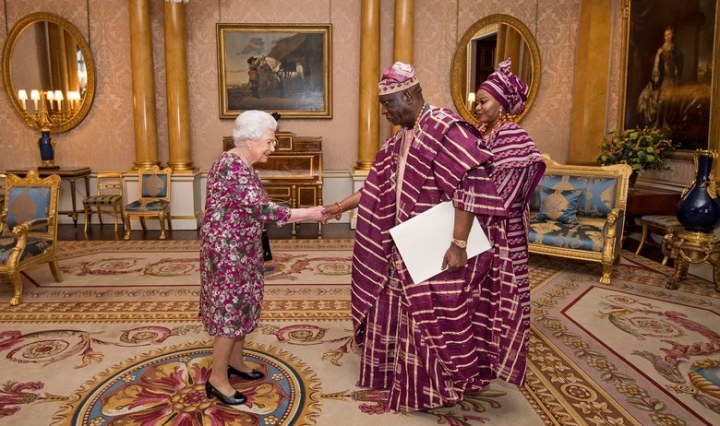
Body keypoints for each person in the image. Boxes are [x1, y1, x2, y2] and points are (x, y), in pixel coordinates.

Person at [323, 62, 508, 411]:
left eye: (388, 104)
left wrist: (458, 245)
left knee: (433, 319)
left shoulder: (445, 128)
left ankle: (435, 391)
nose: (385, 112)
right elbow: (376, 186)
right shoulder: (402, 136)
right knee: (398, 309)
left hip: (437, 246)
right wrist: (339, 206)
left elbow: (469, 188)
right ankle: (399, 379)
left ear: (408, 96)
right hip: (406, 244)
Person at [200, 110, 323, 406]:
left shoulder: (243, 164)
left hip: (242, 248)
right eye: (269, 141)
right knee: (230, 312)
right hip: (228, 252)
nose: (272, 147)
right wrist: (309, 213)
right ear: (250, 140)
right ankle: (217, 379)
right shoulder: (231, 167)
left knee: (243, 305)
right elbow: (263, 210)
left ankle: (236, 362)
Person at [472, 56, 545, 393]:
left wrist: (468, 206)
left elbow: (505, 193)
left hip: (503, 229)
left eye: (483, 101)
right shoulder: (484, 133)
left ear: (501, 103)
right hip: (480, 223)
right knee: (481, 291)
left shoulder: (513, 136)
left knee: (504, 289)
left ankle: (504, 353)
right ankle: (481, 353)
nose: (478, 107)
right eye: (477, 101)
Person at [637, 26, 683, 129]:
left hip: (672, 80)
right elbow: (656, 65)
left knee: (669, 102)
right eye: (666, 35)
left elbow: (678, 65)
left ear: (673, 35)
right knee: (660, 101)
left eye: (669, 34)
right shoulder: (661, 51)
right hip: (663, 80)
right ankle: (657, 122)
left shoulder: (676, 51)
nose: (667, 37)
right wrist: (656, 78)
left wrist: (676, 75)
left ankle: (665, 122)